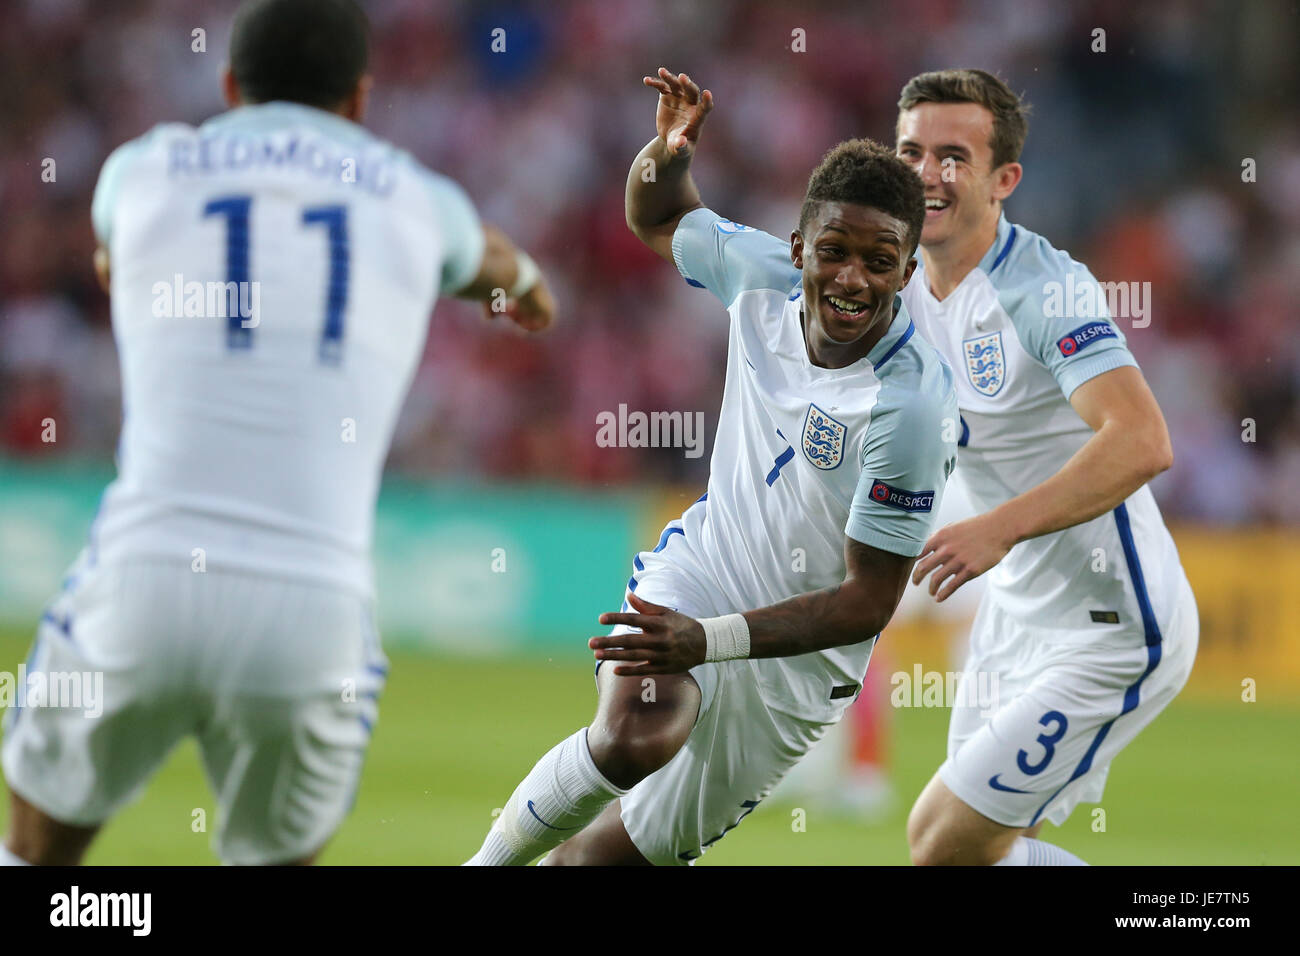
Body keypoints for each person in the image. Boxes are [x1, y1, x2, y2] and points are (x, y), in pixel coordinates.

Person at [0, 0, 554, 866]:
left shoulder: (143, 169)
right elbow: (481, 255)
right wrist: (525, 283)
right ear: (362, 100)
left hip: (142, 576)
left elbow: (114, 250)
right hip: (313, 610)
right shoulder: (418, 197)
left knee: (34, 857)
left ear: (228, 86)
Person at [466, 68, 957, 866]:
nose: (851, 278)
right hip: (705, 575)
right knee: (635, 733)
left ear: (906, 272)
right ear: (799, 247)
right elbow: (655, 211)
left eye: (879, 260)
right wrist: (666, 152)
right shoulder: (757, 273)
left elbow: (868, 602)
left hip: (798, 667)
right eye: (833, 251)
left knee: (597, 863)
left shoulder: (910, 403)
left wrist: (712, 642)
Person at [893, 69, 1199, 865]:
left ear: (1004, 180)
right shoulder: (899, 286)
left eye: (953, 155)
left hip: (1114, 625)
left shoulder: (1043, 288)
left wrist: (998, 527)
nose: (928, 172)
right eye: (911, 150)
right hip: (1014, 616)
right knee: (981, 857)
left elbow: (1142, 440)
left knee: (939, 842)